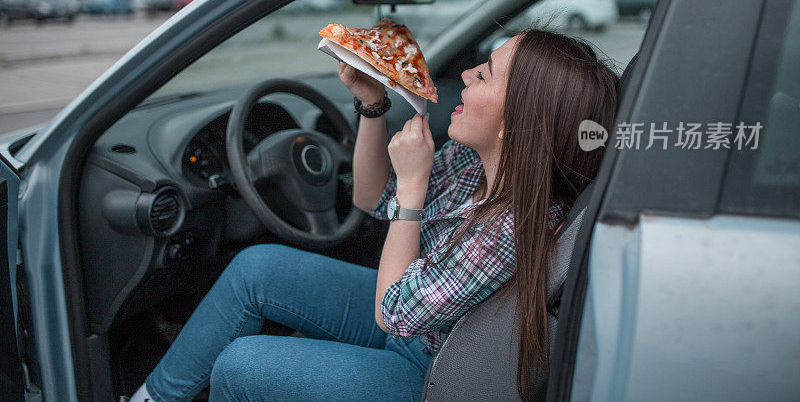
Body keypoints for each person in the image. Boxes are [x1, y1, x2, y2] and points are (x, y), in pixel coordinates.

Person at [126, 27, 618, 401]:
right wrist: (372, 104)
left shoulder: (510, 228)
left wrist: (412, 188)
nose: (466, 75)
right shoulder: (473, 163)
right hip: (417, 316)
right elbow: (369, 198)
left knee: (238, 365)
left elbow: (394, 312)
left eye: (485, 73)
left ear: (519, 125)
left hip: (427, 367)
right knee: (256, 268)